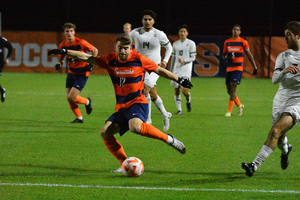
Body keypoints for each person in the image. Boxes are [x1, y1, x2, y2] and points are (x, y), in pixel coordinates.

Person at [48, 33, 193, 173]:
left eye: (126, 48)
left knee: (135, 127)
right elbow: (86, 57)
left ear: (131, 48)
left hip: (138, 102)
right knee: (105, 132)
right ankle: (124, 163)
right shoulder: (110, 59)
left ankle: (168, 139)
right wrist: (65, 51)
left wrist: (179, 79)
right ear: (115, 47)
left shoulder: (139, 59)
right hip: (121, 106)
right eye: (120, 48)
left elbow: (159, 70)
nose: (123, 51)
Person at [241, 21, 300, 177]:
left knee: (275, 131)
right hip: (280, 100)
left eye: (289, 35)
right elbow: (274, 79)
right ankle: (286, 149)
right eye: (285, 35)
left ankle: (253, 165)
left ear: (298, 36)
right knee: (279, 137)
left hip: (297, 103)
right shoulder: (283, 56)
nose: (285, 38)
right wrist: (285, 71)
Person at [129, 9, 173, 131]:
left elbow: (169, 47)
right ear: (142, 21)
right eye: (145, 19)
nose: (147, 22)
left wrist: (165, 61)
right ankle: (165, 114)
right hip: (139, 67)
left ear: (153, 21)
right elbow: (126, 42)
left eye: (149, 19)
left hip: (154, 68)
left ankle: (147, 120)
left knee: (144, 90)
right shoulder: (135, 33)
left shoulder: (159, 34)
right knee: (153, 95)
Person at [54, 23, 98, 123]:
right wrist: (59, 64)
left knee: (71, 96)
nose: (69, 33)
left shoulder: (81, 43)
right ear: (64, 33)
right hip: (71, 73)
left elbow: (95, 50)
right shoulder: (63, 45)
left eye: (71, 31)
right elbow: (61, 59)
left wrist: (91, 63)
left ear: (74, 32)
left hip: (82, 74)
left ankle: (87, 101)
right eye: (67, 31)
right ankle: (79, 118)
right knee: (69, 98)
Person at [222, 24, 258, 117]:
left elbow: (249, 55)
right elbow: (223, 54)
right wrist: (226, 59)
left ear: (240, 32)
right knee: (229, 91)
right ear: (232, 31)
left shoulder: (243, 42)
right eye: (234, 29)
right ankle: (240, 105)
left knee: (233, 87)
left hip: (238, 68)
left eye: (238, 30)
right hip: (229, 68)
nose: (236, 31)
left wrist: (255, 67)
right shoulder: (227, 42)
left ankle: (228, 111)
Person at [170, 24, 196, 114]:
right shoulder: (175, 44)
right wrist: (170, 70)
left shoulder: (191, 43)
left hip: (186, 70)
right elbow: (173, 58)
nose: (182, 33)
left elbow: (193, 58)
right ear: (178, 33)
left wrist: (184, 60)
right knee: (176, 89)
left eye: (184, 31)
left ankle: (188, 101)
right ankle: (179, 110)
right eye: (181, 31)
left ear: (187, 33)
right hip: (176, 70)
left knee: (185, 91)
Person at [0, 36, 13, 102]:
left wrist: (7, 58)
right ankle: (2, 90)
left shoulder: (2, 40)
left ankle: (2, 91)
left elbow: (10, 47)